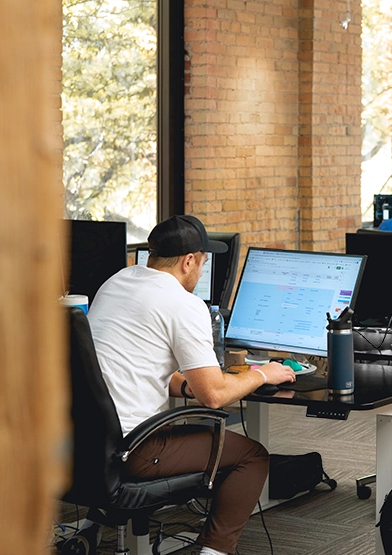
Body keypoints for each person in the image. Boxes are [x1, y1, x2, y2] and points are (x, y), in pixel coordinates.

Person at [84, 215, 297, 555]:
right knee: (252, 455)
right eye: (203, 262)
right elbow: (214, 396)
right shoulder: (183, 304)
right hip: (134, 449)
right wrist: (263, 374)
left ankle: (93, 526)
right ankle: (214, 551)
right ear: (188, 261)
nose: (201, 270)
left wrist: (187, 386)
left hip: (85, 442)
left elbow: (132, 367)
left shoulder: (116, 282)